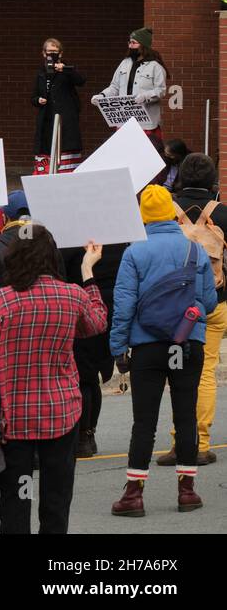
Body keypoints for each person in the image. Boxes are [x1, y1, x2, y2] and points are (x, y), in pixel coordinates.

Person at [0, 229, 109, 534]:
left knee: (17, 499)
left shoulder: (2, 301)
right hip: (62, 413)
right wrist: (87, 271)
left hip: (14, 420)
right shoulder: (71, 295)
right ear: (52, 257)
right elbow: (97, 322)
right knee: (56, 499)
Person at [110, 185, 217, 517]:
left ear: (142, 215)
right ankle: (187, 491)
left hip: (147, 346)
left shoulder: (134, 252)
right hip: (186, 342)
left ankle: (133, 494)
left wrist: (118, 347)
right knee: (185, 415)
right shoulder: (194, 250)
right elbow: (209, 302)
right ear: (172, 213)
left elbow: (124, 304)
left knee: (144, 421)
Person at [159, 152, 227, 467]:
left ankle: (177, 442)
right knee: (205, 373)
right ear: (213, 181)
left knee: (178, 374)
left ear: (181, 178)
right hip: (214, 302)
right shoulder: (222, 213)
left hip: (173, 305)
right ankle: (199, 443)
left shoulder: (165, 212)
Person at [63, 239, 126, 459]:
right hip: (111, 305)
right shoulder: (118, 239)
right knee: (93, 374)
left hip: (81, 304)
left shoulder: (69, 242)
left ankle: (83, 436)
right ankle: (88, 434)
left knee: (83, 375)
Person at [92, 27, 168, 150]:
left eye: (134, 43)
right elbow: (115, 86)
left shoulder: (155, 66)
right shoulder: (124, 63)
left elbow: (161, 90)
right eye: (130, 42)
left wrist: (145, 96)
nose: (130, 46)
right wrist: (102, 96)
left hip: (146, 123)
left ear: (143, 45)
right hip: (124, 120)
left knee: (145, 153)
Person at [33, 37, 86, 175]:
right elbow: (33, 96)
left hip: (65, 119)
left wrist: (66, 70)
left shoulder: (67, 69)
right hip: (47, 118)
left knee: (65, 147)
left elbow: (81, 81)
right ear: (44, 53)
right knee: (46, 148)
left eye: (55, 51)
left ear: (60, 53)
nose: (52, 54)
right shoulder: (40, 73)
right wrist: (38, 100)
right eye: (49, 51)